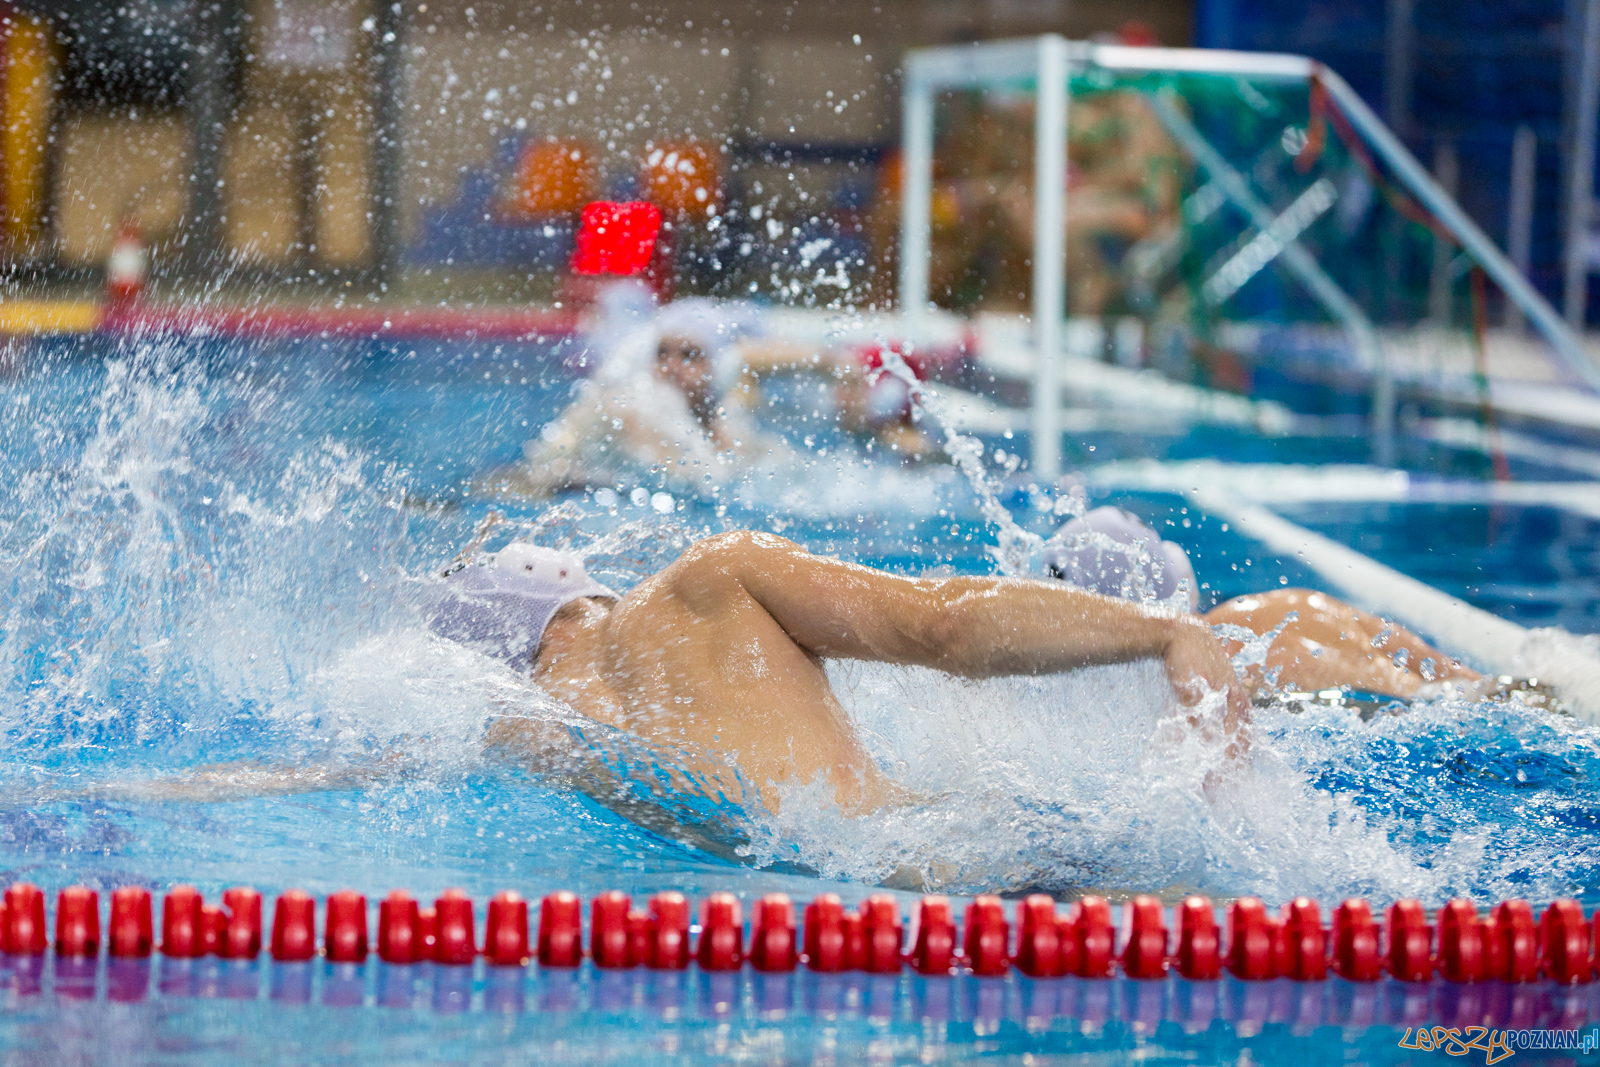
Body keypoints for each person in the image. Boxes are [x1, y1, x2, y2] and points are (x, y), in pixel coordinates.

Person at [426, 509, 1482, 821]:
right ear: (575, 587)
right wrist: (1162, 634)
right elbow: (945, 628)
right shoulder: (709, 581)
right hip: (961, 871)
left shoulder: (539, 735)